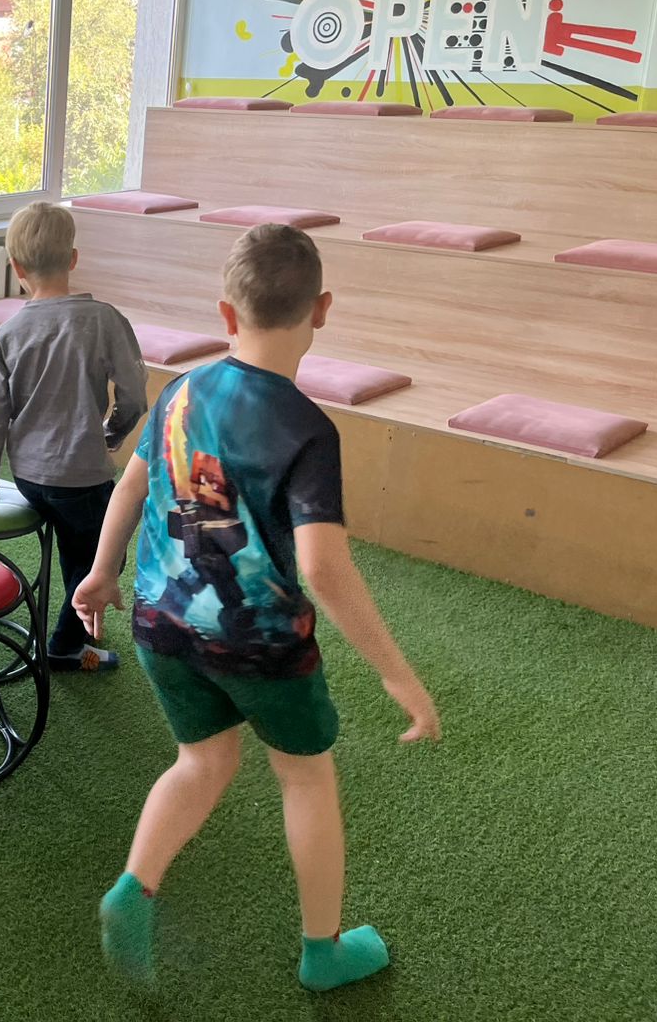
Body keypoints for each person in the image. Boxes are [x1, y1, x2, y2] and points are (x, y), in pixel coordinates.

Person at [72, 224, 440, 991]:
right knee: (305, 778)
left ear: (226, 314)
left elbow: (131, 487)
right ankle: (323, 951)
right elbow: (322, 566)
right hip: (260, 647)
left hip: (162, 625)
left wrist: (102, 573)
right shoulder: (307, 430)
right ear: (322, 309)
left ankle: (134, 888)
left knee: (202, 761)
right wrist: (396, 672)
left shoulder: (180, 391)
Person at [0, 202, 147, 670]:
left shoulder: (8, 331)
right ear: (74, 259)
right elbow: (134, 395)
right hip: (83, 478)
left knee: (77, 549)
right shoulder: (104, 319)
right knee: (105, 559)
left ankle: (75, 618)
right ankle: (63, 646)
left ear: (16, 268)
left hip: (29, 478)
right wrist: (112, 434)